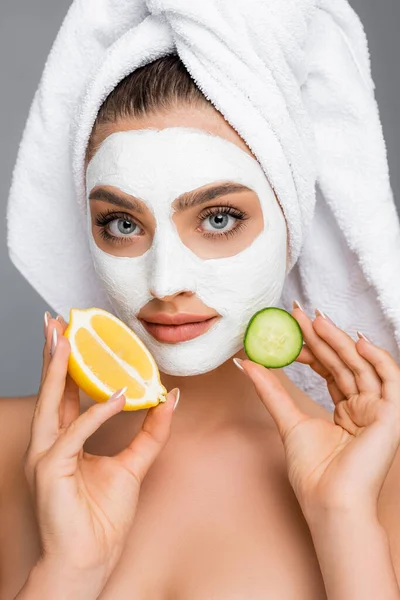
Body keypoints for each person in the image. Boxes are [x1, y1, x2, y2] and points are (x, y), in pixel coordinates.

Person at [2, 52, 400, 600]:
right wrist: (68, 570)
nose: (164, 282)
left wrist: (345, 522)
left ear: (292, 224)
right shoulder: (7, 447)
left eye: (218, 218)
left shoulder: (381, 478)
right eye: (122, 224)